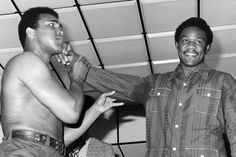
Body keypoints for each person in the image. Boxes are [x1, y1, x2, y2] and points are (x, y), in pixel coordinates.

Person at [57, 17, 236, 157]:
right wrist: (74, 61)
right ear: (177, 44)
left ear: (207, 47)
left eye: (199, 41)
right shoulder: (154, 84)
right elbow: (115, 82)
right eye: (185, 40)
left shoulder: (222, 81)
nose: (191, 45)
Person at [0, 7, 123, 157]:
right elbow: (71, 113)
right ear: (31, 32)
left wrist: (96, 110)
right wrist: (77, 78)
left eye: (60, 27)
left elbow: (60, 142)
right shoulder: (26, 60)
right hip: (25, 150)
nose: (59, 31)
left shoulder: (41, 77)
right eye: (51, 25)